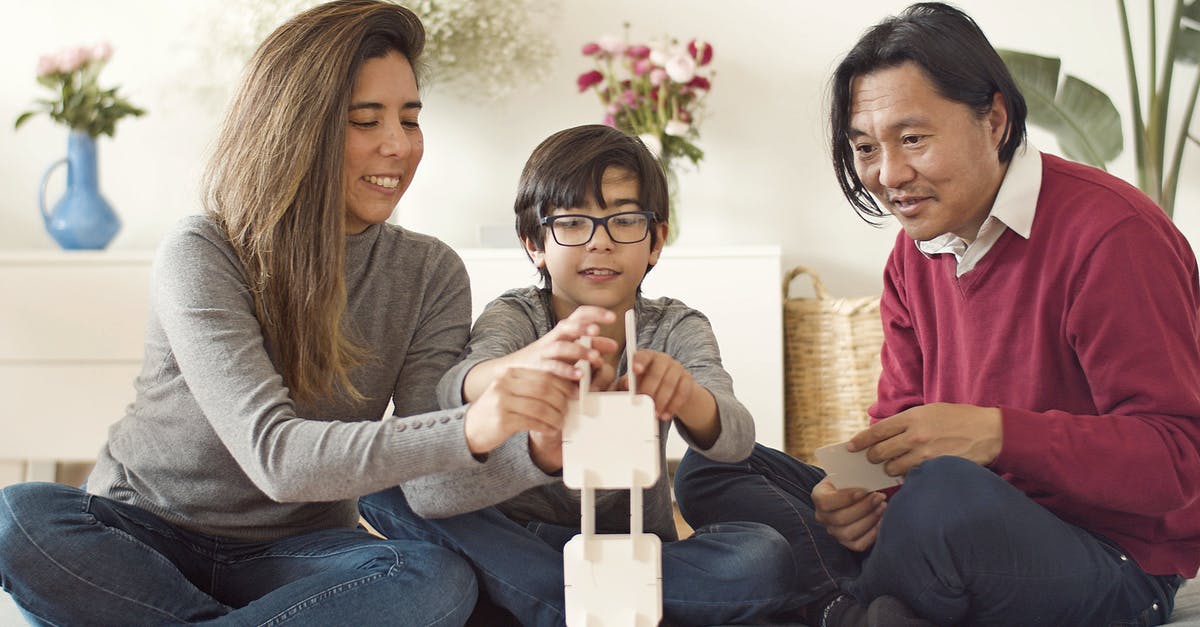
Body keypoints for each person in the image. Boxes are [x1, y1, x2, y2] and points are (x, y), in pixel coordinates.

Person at [0, 2, 540, 624]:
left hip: (295, 556)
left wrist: (537, 450)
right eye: (366, 120)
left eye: (410, 119)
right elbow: (276, 458)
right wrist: (472, 428)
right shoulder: (204, 249)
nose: (399, 145)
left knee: (430, 576)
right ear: (297, 127)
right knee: (20, 514)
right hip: (142, 533)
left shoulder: (429, 272)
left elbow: (430, 482)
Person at [673, 3, 1200, 626]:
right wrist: (854, 493)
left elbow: (1176, 459)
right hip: (947, 530)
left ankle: (834, 603)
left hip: (1110, 561)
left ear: (994, 119)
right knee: (711, 467)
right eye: (866, 147)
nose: (889, 175)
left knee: (943, 497)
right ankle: (859, 604)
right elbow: (898, 430)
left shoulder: (1112, 235)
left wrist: (999, 435)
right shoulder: (913, 253)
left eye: (913, 138)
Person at [359, 124, 806, 626]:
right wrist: (524, 366)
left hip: (638, 548)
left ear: (656, 240)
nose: (600, 243)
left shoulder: (676, 325)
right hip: (521, 533)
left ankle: (549, 599)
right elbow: (455, 383)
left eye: (624, 220)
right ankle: (586, 599)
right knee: (386, 485)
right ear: (535, 243)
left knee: (761, 554)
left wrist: (688, 396)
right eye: (573, 223)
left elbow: (736, 441)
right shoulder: (516, 315)